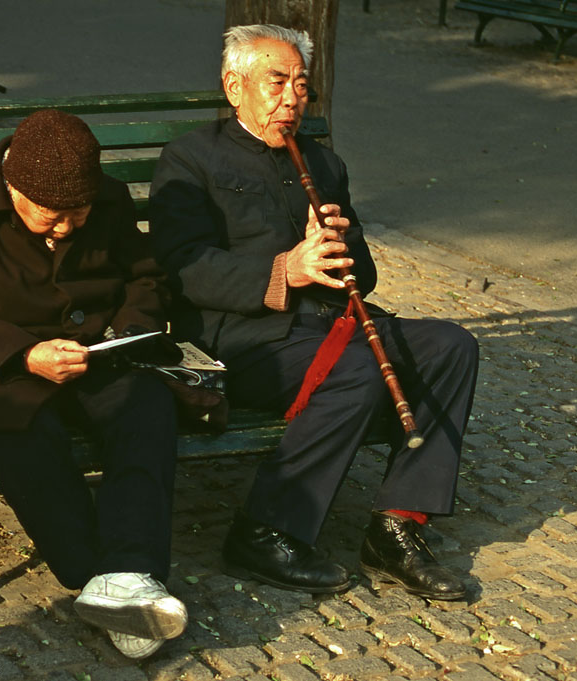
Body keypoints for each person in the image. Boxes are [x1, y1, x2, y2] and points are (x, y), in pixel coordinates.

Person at [149, 24, 479, 600]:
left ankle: (396, 525)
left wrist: (341, 250)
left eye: (302, 85)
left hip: (333, 326)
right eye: (277, 82)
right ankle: (265, 531)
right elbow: (182, 267)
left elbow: (365, 276)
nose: (292, 98)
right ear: (235, 87)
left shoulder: (324, 164)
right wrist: (286, 270)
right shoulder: (190, 158)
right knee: (356, 371)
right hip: (245, 337)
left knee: (452, 346)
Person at [0, 110, 187, 659]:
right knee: (19, 437)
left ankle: (130, 573)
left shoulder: (106, 198)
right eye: (51, 216)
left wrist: (127, 333)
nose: (66, 228)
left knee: (146, 404)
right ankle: (97, 579)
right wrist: (24, 353)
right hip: (5, 371)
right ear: (13, 187)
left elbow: (144, 277)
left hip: (95, 358)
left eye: (78, 213)